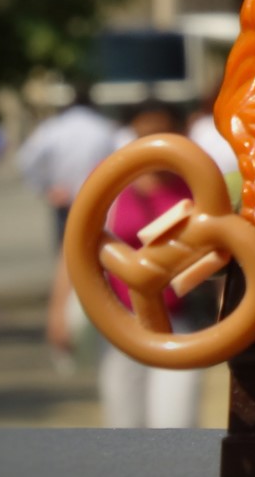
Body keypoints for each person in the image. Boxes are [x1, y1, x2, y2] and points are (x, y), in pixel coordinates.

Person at [47, 101, 204, 428]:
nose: (154, 144)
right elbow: (74, 248)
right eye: (144, 135)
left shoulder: (198, 184)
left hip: (179, 321)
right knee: (124, 423)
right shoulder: (109, 182)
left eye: (162, 134)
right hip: (120, 323)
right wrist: (58, 310)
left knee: (175, 422)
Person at [17, 83, 117, 248]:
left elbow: (26, 158)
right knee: (96, 251)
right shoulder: (105, 128)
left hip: (64, 198)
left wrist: (45, 188)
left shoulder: (53, 128)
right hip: (98, 201)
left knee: (65, 250)